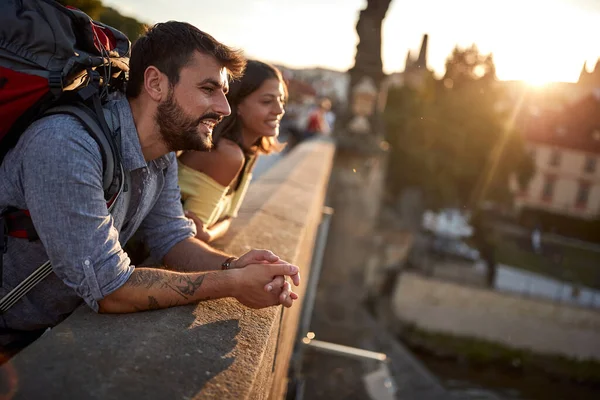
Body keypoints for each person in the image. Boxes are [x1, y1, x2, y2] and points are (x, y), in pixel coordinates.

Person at [0, 22, 300, 355]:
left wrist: (236, 266)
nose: (224, 108)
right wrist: (231, 285)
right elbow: (110, 287)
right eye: (208, 89)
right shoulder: (66, 143)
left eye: (224, 93)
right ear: (156, 83)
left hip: (41, 333)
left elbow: (172, 238)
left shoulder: (162, 152)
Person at [178, 60, 286, 243]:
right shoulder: (227, 155)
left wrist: (210, 234)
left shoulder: (250, 153)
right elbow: (190, 240)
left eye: (281, 100)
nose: (279, 110)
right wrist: (207, 234)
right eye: (267, 101)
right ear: (237, 105)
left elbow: (228, 218)